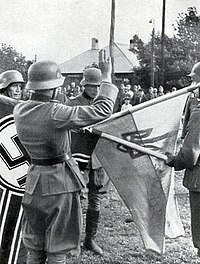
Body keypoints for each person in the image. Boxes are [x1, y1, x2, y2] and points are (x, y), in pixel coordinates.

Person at [13, 50, 118, 264]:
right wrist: (106, 78)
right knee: (58, 248)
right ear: (52, 89)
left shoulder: (20, 110)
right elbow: (103, 109)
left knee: (35, 246)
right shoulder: (55, 113)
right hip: (59, 184)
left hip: (34, 183)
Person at [65, 66, 110, 255]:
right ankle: (70, 240)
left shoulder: (106, 103)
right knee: (73, 198)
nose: (96, 90)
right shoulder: (72, 103)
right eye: (92, 86)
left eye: (99, 86)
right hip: (77, 156)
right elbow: (65, 126)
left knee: (95, 198)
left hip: (97, 157)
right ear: (84, 85)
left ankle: (90, 239)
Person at [0, 70, 28, 264]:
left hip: (16, 177)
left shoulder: (25, 110)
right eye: (13, 86)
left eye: (20, 86)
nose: (18, 89)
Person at [181, 62, 200, 139]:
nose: (192, 79)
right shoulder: (191, 95)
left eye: (194, 76)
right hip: (192, 134)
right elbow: (187, 116)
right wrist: (183, 133)